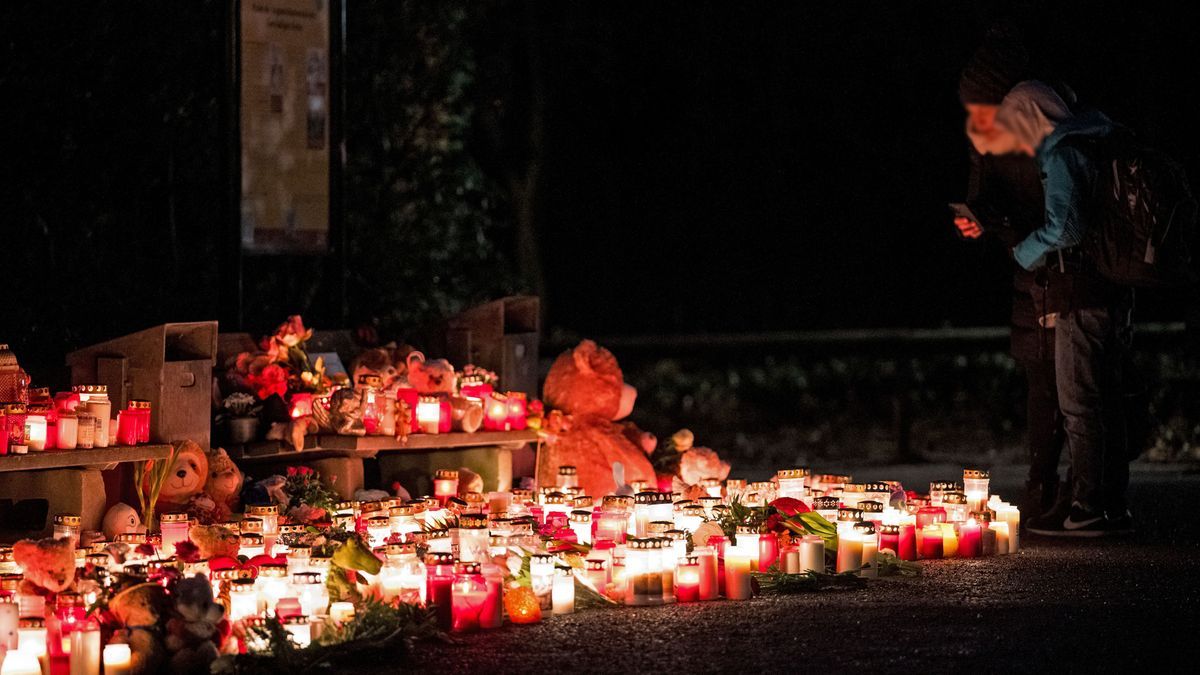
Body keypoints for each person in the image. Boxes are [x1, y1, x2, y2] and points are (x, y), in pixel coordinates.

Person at [995, 81, 1135, 536]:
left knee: (1079, 403)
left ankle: (1087, 505)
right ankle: (1112, 503)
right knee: (1107, 400)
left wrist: (1022, 250)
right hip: (1115, 289)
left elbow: (1066, 228)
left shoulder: (1062, 151)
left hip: (1080, 291)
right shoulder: (1098, 138)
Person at [956, 30, 1067, 523]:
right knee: (1043, 383)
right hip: (1030, 274)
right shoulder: (990, 136)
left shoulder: (1037, 119)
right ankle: (1046, 485)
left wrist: (1023, 238)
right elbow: (988, 198)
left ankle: (1072, 491)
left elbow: (1060, 205)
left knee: (1067, 387)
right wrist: (978, 220)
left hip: (1056, 270)